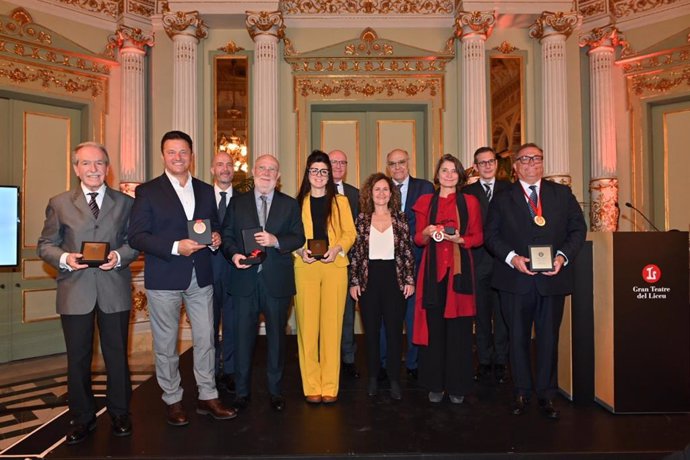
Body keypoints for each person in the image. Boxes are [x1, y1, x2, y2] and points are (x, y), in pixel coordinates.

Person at [129, 130, 236, 426]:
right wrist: (176, 247)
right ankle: (173, 399)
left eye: (183, 152)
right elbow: (137, 236)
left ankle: (207, 395)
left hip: (200, 275)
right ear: (163, 155)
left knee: (205, 339)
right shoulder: (148, 191)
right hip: (164, 276)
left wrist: (215, 237)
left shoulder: (204, 189)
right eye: (172, 152)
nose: (178, 157)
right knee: (166, 344)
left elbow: (212, 225)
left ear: (192, 155)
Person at [37, 142, 139, 444]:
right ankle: (82, 417)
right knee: (78, 358)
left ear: (108, 167)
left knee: (117, 356)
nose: (93, 169)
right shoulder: (59, 203)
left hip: (114, 289)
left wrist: (119, 256)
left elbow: (134, 242)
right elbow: (45, 245)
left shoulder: (126, 203)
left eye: (99, 163)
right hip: (75, 291)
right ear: (75, 168)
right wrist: (65, 259)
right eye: (86, 163)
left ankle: (120, 413)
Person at [484, 143, 586, 419]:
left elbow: (578, 229)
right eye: (525, 159)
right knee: (516, 339)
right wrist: (512, 258)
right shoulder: (502, 198)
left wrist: (563, 257)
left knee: (548, 339)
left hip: (552, 280)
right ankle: (521, 392)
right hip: (515, 280)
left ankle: (546, 394)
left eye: (537, 158)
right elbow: (490, 235)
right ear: (515, 166)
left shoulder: (561, 194)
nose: (532, 163)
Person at [221, 154, 305, 412]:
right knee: (243, 339)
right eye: (262, 168)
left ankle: (275, 390)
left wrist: (276, 240)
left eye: (272, 169)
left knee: (277, 340)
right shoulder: (237, 204)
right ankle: (242, 392)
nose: (267, 173)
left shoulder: (290, 205)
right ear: (253, 172)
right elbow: (226, 236)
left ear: (278, 176)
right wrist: (234, 254)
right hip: (244, 280)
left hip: (276, 282)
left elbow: (298, 237)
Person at [412, 154, 483, 404]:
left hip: (459, 273)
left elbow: (478, 237)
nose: (449, 174)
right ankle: (435, 384)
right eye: (444, 170)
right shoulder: (425, 201)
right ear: (437, 174)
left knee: (460, 331)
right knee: (434, 329)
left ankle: (457, 386)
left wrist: (459, 239)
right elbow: (418, 239)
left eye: (454, 170)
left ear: (459, 175)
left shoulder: (470, 202)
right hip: (432, 274)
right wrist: (427, 232)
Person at [294, 150, 356, 404]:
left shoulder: (341, 202)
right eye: (314, 171)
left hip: (334, 267)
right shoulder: (296, 203)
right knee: (307, 329)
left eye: (324, 171)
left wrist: (338, 248)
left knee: (332, 327)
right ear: (307, 174)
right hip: (305, 267)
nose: (319, 176)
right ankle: (311, 384)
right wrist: (299, 251)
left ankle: (330, 385)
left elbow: (350, 233)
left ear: (329, 175)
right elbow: (291, 236)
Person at [349, 173, 415, 400]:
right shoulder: (361, 220)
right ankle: (373, 378)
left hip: (394, 280)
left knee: (396, 333)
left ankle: (395, 379)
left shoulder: (400, 219)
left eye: (385, 189)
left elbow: (407, 253)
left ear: (391, 193)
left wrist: (409, 280)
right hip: (369, 281)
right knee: (372, 334)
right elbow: (356, 254)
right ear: (370, 193)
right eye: (377, 189)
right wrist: (354, 282)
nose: (381, 193)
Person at [382, 148, 434, 381]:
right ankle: (385, 363)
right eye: (392, 164)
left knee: (414, 316)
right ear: (387, 167)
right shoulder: (381, 189)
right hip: (386, 263)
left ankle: (414, 362)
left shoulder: (425, 188)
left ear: (408, 162)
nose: (397, 168)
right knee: (387, 317)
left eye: (401, 162)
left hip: (417, 261)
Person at [462, 146, 511, 384]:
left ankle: (501, 361)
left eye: (491, 161)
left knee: (502, 315)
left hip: (504, 262)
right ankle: (483, 360)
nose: (488, 166)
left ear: (496, 164)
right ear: (476, 166)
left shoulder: (510, 189)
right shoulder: (467, 192)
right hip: (477, 261)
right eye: (482, 163)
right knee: (481, 315)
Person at [328, 149, 360, 379]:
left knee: (347, 314)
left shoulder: (355, 195)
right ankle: (326, 359)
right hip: (319, 263)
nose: (338, 166)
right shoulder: (315, 192)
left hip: (348, 264)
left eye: (342, 162)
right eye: (334, 162)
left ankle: (347, 359)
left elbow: (359, 232)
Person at [210, 152, 235, 392]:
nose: (225, 169)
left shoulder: (244, 200)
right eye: (220, 164)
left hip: (236, 273)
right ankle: (211, 372)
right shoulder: (201, 198)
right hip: (207, 273)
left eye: (229, 164)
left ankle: (229, 370)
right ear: (211, 169)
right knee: (208, 325)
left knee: (232, 324)